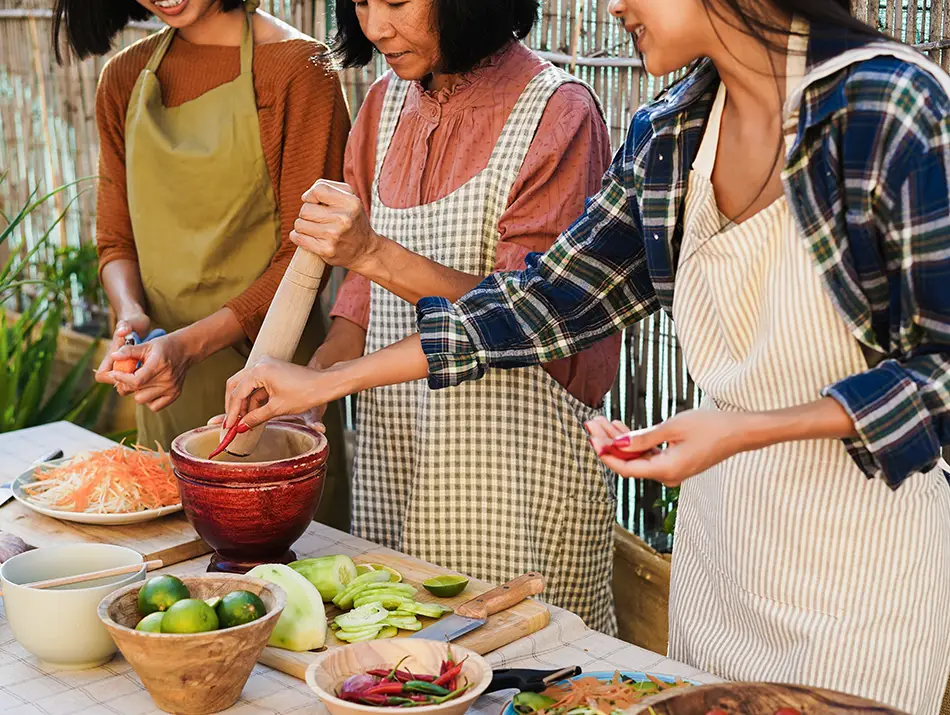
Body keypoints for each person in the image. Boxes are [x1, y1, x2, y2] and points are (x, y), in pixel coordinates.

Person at [223, 0, 950, 710]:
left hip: (862, 569)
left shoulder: (890, 108)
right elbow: (543, 303)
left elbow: (938, 373)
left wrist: (746, 427)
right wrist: (322, 380)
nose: (611, 7)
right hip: (725, 555)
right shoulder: (671, 133)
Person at [220, 0, 620, 631]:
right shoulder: (381, 107)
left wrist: (371, 253)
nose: (376, 27)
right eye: (361, 3)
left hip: (513, 475)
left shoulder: (558, 113)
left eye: (398, 2)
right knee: (400, 662)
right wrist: (311, 386)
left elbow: (529, 313)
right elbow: (359, 302)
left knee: (523, 667)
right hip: (396, 456)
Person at [51, 0, 352, 528]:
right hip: (165, 388)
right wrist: (130, 319)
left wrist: (187, 346)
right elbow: (117, 239)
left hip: (276, 394)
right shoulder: (124, 77)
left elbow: (307, 258)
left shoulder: (299, 70)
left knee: (292, 584)